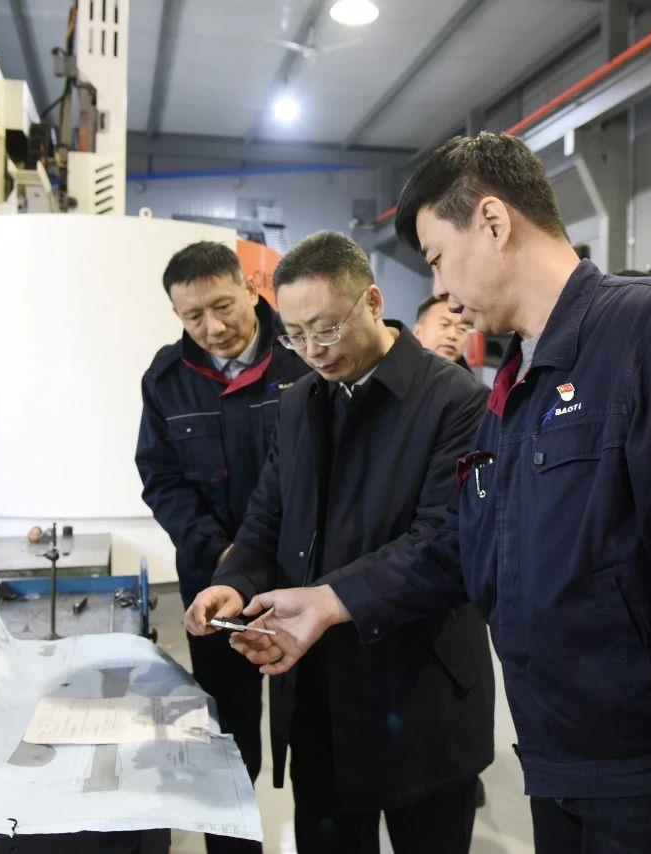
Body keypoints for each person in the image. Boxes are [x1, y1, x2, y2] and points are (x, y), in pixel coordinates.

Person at [224, 133, 651, 854]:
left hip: (649, 768)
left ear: (494, 222)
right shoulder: (520, 381)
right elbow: (466, 542)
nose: (440, 288)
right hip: (559, 753)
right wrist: (331, 600)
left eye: (438, 256)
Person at [184, 231, 494, 854]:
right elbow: (268, 517)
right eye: (294, 335)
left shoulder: (455, 401)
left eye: (325, 329)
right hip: (320, 698)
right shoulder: (298, 402)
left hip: (420, 691)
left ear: (373, 302)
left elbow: (446, 541)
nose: (312, 351)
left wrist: (328, 601)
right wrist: (234, 582)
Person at [135, 241, 309, 854]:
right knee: (227, 737)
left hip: (303, 580)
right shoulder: (167, 379)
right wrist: (226, 556)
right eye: (193, 316)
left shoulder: (301, 357)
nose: (212, 328)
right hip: (214, 586)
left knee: (317, 729)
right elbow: (161, 479)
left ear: (250, 288)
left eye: (223, 306)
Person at [413, 293, 471, 368]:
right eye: (444, 324)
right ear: (417, 332)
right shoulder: (399, 369)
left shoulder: (467, 375)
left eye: (461, 329)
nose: (452, 335)